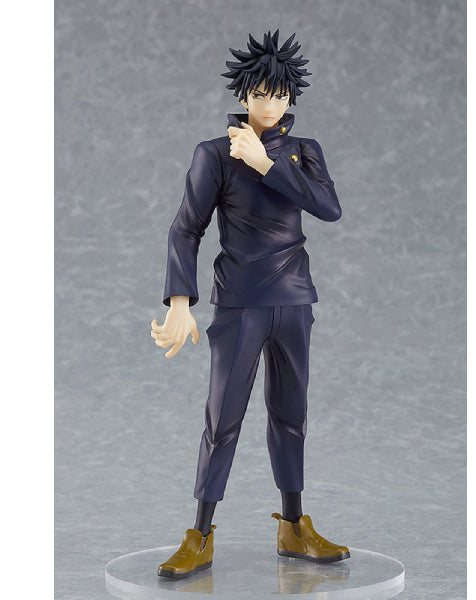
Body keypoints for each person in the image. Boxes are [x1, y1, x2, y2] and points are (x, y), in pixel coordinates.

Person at [151, 29, 349, 580]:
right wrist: (180, 300)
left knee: (292, 415)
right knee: (223, 419)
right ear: (244, 96)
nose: (271, 104)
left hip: (294, 300)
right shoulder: (215, 155)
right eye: (261, 94)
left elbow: (329, 208)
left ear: (291, 97)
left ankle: (294, 525)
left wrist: (267, 164)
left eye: (280, 95)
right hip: (240, 303)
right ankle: (199, 533)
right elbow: (186, 228)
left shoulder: (304, 152)